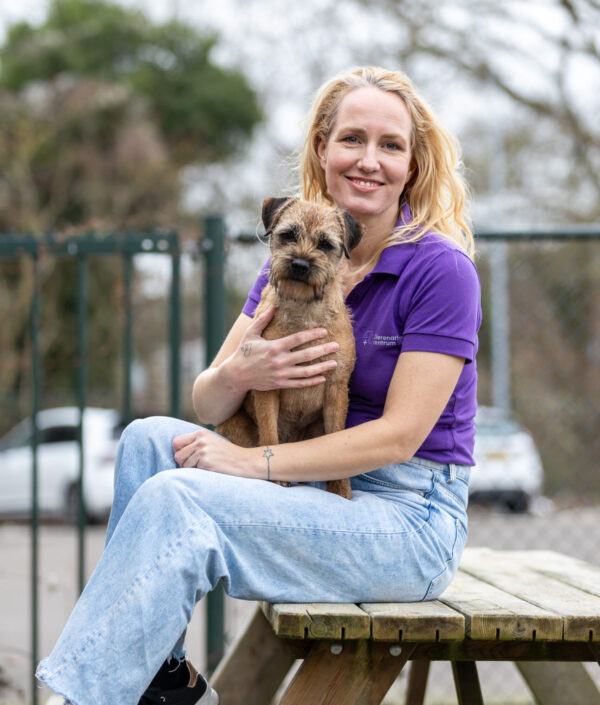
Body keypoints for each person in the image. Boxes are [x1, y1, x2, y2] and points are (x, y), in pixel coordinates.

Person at [37, 65, 481, 705]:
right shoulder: (288, 261)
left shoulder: (441, 270)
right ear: (322, 148)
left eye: (391, 145)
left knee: (179, 500)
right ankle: (161, 678)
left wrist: (255, 463)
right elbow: (207, 399)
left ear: (412, 165)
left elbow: (399, 437)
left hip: (407, 518)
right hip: (310, 484)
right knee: (146, 441)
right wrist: (243, 372)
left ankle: (85, 697)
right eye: (352, 139)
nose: (369, 160)